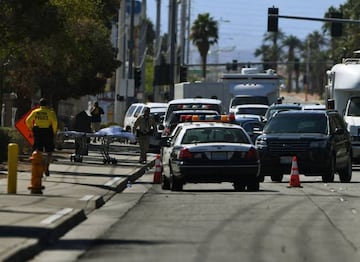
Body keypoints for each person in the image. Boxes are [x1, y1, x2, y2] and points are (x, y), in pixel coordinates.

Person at [25, 98, 58, 176]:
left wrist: (31, 128)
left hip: (38, 132)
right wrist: (54, 132)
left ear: (39, 104)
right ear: (47, 105)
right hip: (48, 132)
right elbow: (55, 122)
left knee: (38, 151)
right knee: (49, 152)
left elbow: (27, 120)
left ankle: (39, 167)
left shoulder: (35, 112)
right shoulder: (51, 112)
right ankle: (46, 165)